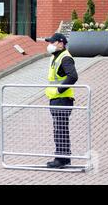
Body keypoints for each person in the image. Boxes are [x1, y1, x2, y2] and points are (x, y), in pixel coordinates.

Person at [44, 33, 78, 169]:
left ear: (60, 43)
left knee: (60, 129)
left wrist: (59, 90)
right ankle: (63, 157)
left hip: (62, 99)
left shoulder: (65, 58)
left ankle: (61, 158)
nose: (50, 45)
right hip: (56, 99)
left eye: (53, 42)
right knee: (59, 128)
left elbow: (73, 76)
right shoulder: (56, 57)